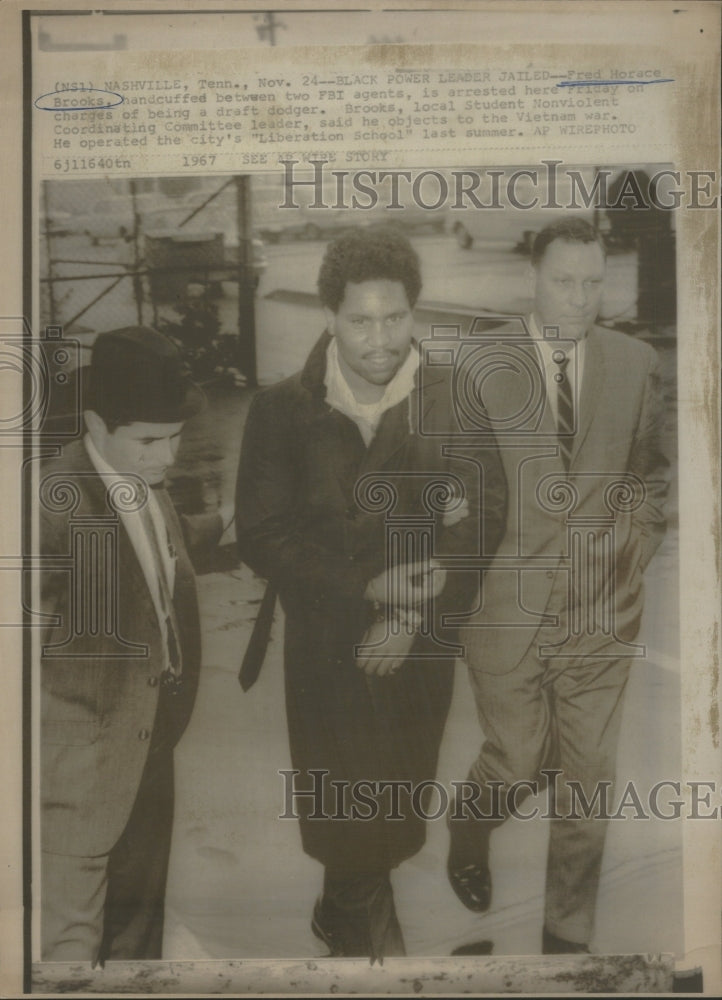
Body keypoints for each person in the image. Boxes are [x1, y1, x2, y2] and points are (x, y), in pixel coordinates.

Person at [235, 226, 506, 961]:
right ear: (329, 315)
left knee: (396, 802)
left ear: (414, 313)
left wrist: (411, 613)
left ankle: (341, 905)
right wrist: (368, 585)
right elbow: (263, 533)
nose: (379, 338)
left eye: (394, 318)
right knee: (349, 805)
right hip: (326, 644)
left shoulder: (454, 399)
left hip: (419, 646)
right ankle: (369, 950)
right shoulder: (281, 410)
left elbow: (483, 520)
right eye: (360, 320)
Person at [447, 217, 670, 953]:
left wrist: (633, 548)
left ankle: (566, 940)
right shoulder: (476, 363)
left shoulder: (635, 363)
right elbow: (442, 482)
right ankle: (471, 818)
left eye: (592, 282)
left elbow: (648, 477)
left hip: (601, 613)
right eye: (563, 282)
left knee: (587, 784)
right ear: (531, 281)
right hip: (503, 612)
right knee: (517, 759)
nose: (579, 298)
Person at [39, 326, 226, 963]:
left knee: (138, 936)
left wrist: (232, 523)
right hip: (77, 774)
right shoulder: (48, 507)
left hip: (150, 743)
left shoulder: (145, 482)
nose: (166, 457)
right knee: (70, 944)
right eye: (149, 441)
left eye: (174, 439)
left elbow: (154, 561)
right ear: (95, 422)